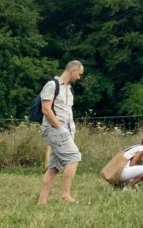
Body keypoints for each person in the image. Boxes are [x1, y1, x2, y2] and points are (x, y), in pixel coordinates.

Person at [37, 60, 85, 205]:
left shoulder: (69, 89)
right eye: (79, 74)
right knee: (74, 157)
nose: (79, 77)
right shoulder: (52, 85)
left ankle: (42, 202)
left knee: (54, 167)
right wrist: (59, 127)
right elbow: (46, 109)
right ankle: (65, 194)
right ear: (73, 71)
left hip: (66, 131)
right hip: (55, 129)